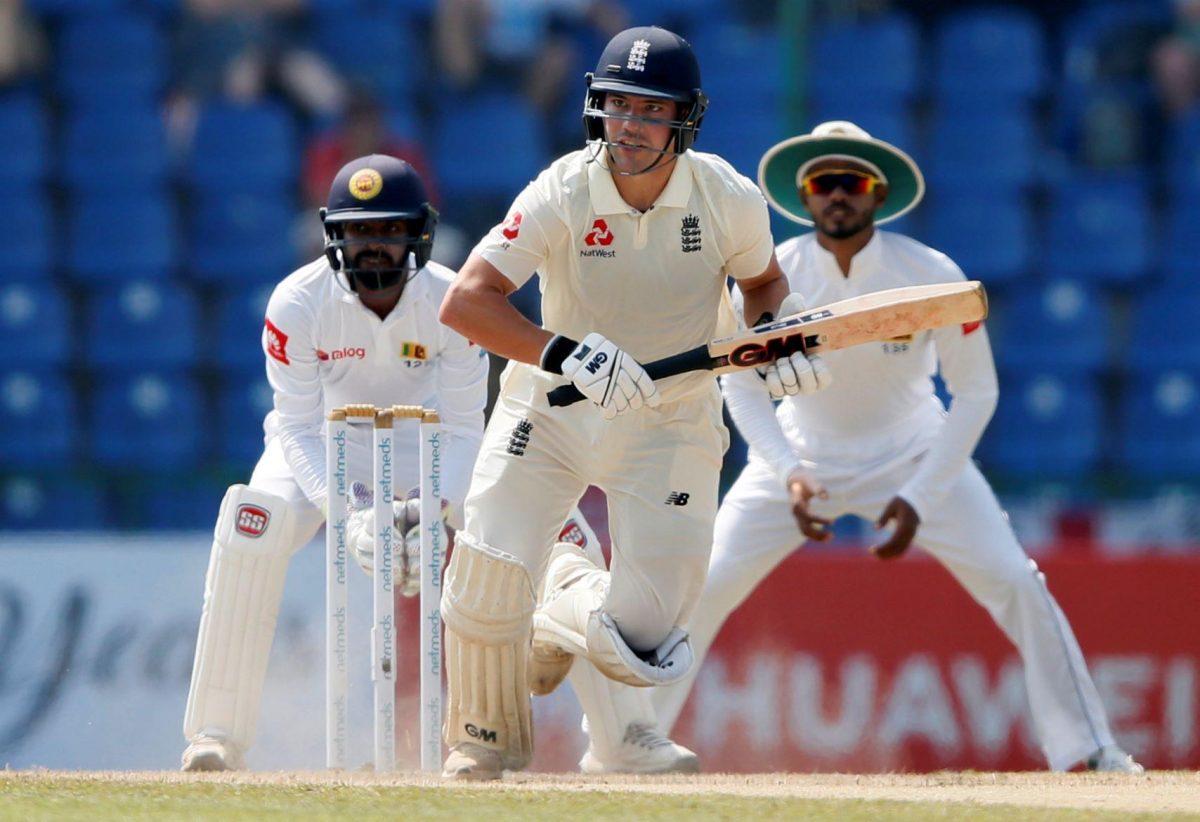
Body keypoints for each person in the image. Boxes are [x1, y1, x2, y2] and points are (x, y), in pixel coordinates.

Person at [600, 120, 1145, 774]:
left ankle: (1090, 751)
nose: (837, 194)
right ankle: (628, 747)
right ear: (803, 196)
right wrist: (788, 471)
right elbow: (740, 387)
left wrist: (920, 495)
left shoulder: (930, 275)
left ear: (879, 195)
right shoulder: (770, 278)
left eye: (852, 183)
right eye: (822, 183)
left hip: (913, 455)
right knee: (699, 588)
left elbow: (976, 392)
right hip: (798, 458)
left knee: (1017, 583)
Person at [436, 25, 831, 780]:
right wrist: (563, 352)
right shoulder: (562, 188)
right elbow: (467, 301)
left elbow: (763, 284)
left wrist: (774, 330)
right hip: (553, 409)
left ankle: (562, 596)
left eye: (651, 110)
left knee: (645, 640)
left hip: (670, 417)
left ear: (685, 119)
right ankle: (480, 740)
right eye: (618, 105)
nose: (629, 125)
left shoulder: (727, 198)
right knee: (489, 571)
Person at [180, 154, 488, 770]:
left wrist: (435, 511)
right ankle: (216, 734)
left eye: (388, 229)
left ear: (419, 233)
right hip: (321, 443)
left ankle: (532, 738)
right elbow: (295, 426)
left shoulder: (454, 299)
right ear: (332, 235)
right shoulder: (297, 301)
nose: (373, 245)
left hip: (426, 444)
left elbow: (463, 426)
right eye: (358, 231)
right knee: (252, 526)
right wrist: (347, 514)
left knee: (519, 523)